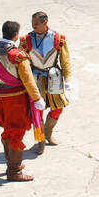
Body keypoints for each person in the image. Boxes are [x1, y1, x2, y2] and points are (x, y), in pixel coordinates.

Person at [0, 20, 43, 182]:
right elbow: (28, 79)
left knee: (7, 129)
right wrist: (37, 98)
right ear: (16, 35)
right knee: (16, 131)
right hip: (15, 97)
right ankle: (14, 170)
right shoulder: (17, 55)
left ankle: (10, 160)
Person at [20, 11, 73, 152]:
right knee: (37, 111)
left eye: (36, 24)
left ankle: (48, 132)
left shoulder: (58, 38)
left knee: (58, 108)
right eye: (32, 24)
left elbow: (65, 60)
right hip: (35, 78)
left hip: (53, 77)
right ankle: (41, 139)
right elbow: (20, 62)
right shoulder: (26, 40)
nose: (33, 26)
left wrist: (68, 79)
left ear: (45, 23)